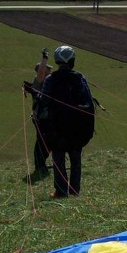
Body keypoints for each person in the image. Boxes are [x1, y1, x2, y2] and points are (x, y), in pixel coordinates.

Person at [41, 45, 95, 198]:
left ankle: (61, 191)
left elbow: (44, 100)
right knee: (75, 160)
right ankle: (75, 190)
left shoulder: (51, 79)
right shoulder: (80, 77)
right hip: (77, 128)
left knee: (58, 160)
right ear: (72, 60)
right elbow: (88, 100)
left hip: (57, 129)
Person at [22, 48, 52, 182]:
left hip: (46, 118)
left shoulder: (46, 82)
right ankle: (40, 166)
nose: (50, 71)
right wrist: (45, 58)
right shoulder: (38, 81)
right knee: (43, 141)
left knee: (46, 141)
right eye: (47, 69)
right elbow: (41, 72)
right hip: (42, 118)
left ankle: (41, 165)